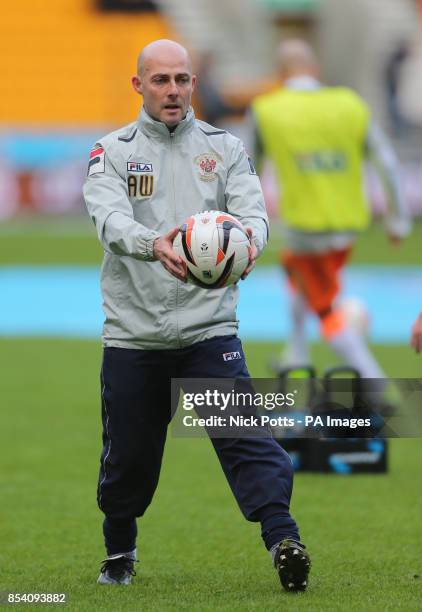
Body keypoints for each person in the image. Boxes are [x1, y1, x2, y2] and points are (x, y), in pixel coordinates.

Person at [83, 39, 311, 592]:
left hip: (210, 328)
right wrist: (152, 242)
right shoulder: (111, 151)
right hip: (135, 335)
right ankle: (120, 550)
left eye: (182, 79)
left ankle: (284, 540)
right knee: (129, 460)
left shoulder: (226, 147)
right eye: (160, 80)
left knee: (247, 438)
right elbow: (108, 219)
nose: (173, 90)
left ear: (193, 84)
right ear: (139, 85)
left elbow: (253, 213)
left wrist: (249, 245)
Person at [250, 39, 410, 378]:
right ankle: (296, 355)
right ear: (316, 70)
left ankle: (376, 385)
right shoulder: (350, 103)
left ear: (280, 74)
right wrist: (398, 222)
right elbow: (387, 162)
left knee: (324, 308)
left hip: (304, 228)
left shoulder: (266, 108)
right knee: (294, 271)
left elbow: (247, 169)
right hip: (348, 227)